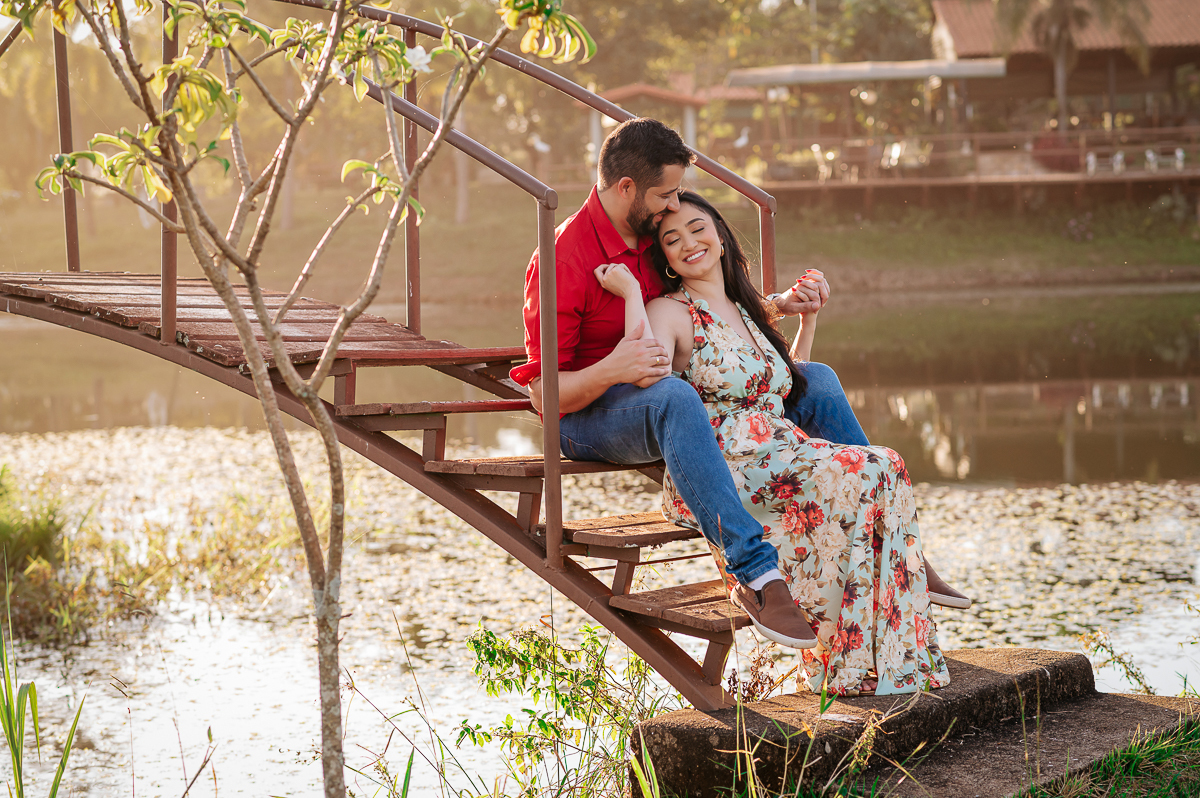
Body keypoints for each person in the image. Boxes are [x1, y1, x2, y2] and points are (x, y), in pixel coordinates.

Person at [594, 190, 952, 695]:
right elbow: (646, 372)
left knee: (884, 464)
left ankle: (884, 634)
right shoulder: (670, 311)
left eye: (697, 229)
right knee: (875, 467)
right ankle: (878, 610)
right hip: (724, 465)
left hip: (781, 451)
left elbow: (783, 384)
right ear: (667, 259)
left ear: (720, 237)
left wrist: (807, 319)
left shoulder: (747, 312)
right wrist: (632, 293)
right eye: (672, 240)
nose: (689, 243)